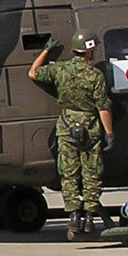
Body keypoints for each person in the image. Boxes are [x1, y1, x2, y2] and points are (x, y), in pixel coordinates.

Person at [29, 29, 114, 241]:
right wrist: (109, 133)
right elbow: (103, 107)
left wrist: (46, 50)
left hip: (67, 128)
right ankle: (89, 217)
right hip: (90, 129)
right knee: (91, 173)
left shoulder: (60, 70)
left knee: (69, 174)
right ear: (90, 51)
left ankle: (74, 216)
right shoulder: (95, 76)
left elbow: (33, 72)